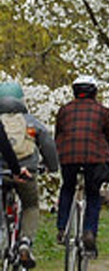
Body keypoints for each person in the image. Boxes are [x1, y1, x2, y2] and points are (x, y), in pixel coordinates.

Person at [54, 75, 109, 255]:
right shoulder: (102, 111)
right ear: (94, 92)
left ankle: (62, 227)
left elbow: (58, 135)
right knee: (93, 193)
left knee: (67, 188)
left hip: (68, 157)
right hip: (94, 158)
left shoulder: (64, 110)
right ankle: (89, 231)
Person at [0, 82, 56, 268]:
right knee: (31, 205)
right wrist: (51, 166)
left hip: (2, 172)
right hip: (25, 172)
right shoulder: (31, 122)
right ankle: (25, 241)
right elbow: (47, 143)